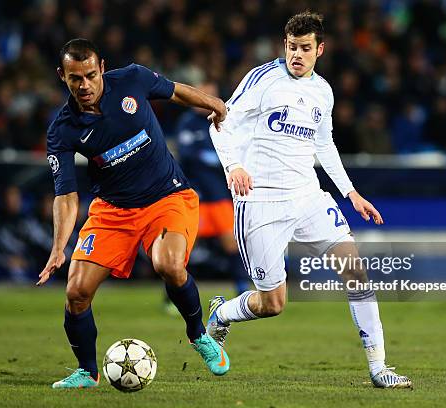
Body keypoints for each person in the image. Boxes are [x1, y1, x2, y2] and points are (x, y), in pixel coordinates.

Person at [207, 12, 412, 388]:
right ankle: (221, 314)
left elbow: (324, 144)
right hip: (260, 201)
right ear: (283, 45)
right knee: (273, 304)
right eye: (290, 47)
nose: (296, 55)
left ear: (320, 49)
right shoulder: (263, 79)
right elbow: (219, 121)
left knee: (356, 273)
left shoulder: (323, 91)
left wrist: (350, 193)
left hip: (308, 196)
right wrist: (234, 165)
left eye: (304, 48)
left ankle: (379, 367)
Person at [36, 38, 230, 389]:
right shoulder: (62, 128)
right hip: (113, 211)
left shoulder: (133, 79)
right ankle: (87, 372)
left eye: (91, 75)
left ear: (103, 68)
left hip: (167, 196)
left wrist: (214, 103)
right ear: (62, 77)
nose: (84, 85)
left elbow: (175, 92)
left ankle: (200, 334)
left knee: (169, 265)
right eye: (75, 78)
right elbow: (65, 195)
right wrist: (58, 248)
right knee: (76, 292)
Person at [174, 80, 249, 296]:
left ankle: (242, 290)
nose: (205, 101)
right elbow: (187, 154)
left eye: (210, 96)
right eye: (201, 95)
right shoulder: (187, 123)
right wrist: (216, 158)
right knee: (182, 248)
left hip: (218, 194)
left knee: (231, 244)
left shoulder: (225, 122)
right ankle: (172, 296)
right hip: (193, 194)